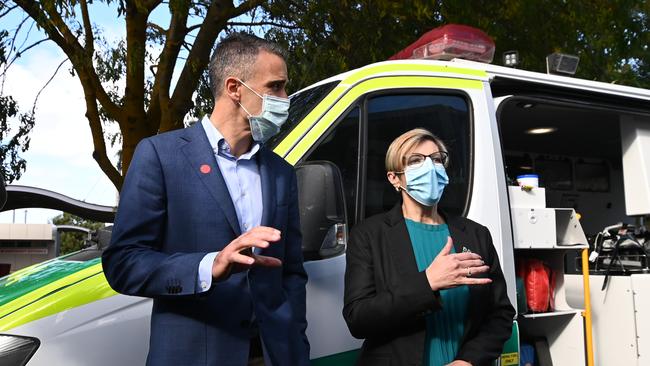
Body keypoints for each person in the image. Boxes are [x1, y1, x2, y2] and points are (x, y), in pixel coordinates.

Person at [102, 33, 310, 366]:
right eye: (275, 87)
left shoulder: (281, 172)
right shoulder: (160, 155)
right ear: (234, 88)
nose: (285, 97)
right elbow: (124, 263)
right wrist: (208, 266)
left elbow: (292, 273)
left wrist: (296, 345)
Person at [343, 128, 515, 366]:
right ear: (394, 178)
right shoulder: (369, 235)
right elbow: (358, 319)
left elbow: (501, 314)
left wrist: (468, 361)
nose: (430, 168)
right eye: (415, 160)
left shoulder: (476, 235)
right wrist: (428, 283)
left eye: (436, 159)